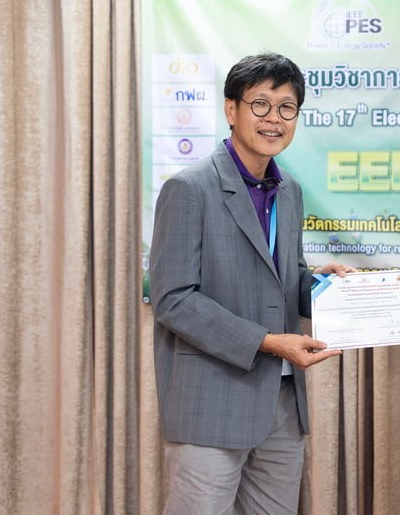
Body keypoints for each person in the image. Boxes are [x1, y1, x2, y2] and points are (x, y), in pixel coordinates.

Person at [149, 52, 354, 515]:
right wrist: (267, 342)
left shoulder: (289, 191)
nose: (273, 119)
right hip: (211, 404)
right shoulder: (189, 188)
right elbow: (173, 299)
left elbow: (286, 281)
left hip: (282, 405)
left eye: (286, 108)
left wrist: (323, 287)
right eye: (260, 104)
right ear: (231, 109)